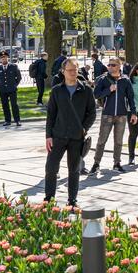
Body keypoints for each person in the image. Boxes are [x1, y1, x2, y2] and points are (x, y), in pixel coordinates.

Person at [44, 58, 96, 207]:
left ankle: (72, 200)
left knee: (74, 170)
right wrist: (48, 136)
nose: (73, 73)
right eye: (70, 70)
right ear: (63, 72)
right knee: (51, 168)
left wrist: (84, 129)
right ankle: (49, 199)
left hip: (76, 137)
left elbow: (91, 113)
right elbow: (51, 115)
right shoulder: (57, 91)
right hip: (58, 136)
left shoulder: (85, 90)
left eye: (75, 70)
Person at [90, 57, 136, 174]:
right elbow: (96, 94)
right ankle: (96, 164)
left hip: (121, 115)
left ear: (119, 66)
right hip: (107, 114)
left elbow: (131, 98)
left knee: (119, 141)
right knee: (102, 140)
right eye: (109, 65)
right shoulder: (103, 79)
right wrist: (108, 90)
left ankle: (117, 163)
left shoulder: (125, 80)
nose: (110, 67)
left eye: (113, 65)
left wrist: (134, 113)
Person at [0, 50, 22, 127]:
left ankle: (17, 120)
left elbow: (19, 77)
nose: (4, 59)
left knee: (14, 105)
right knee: (5, 105)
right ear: (0, 59)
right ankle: (7, 120)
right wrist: (2, 85)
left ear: (8, 58)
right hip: (3, 90)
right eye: (2, 58)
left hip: (12, 89)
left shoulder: (13, 66)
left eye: (5, 58)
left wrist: (14, 85)